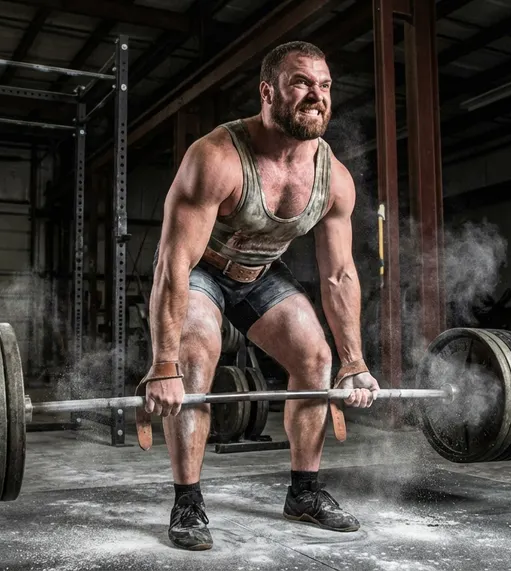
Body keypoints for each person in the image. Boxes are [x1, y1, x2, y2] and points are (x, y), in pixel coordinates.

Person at [142, 40, 381, 551]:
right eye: (302, 83)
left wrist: (354, 362)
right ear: (268, 91)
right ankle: (188, 502)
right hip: (201, 269)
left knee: (315, 359)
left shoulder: (333, 178)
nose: (317, 95)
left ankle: (304, 493)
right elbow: (172, 263)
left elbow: (339, 274)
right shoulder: (217, 157)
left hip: (260, 274)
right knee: (194, 356)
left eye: (325, 85)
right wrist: (164, 365)